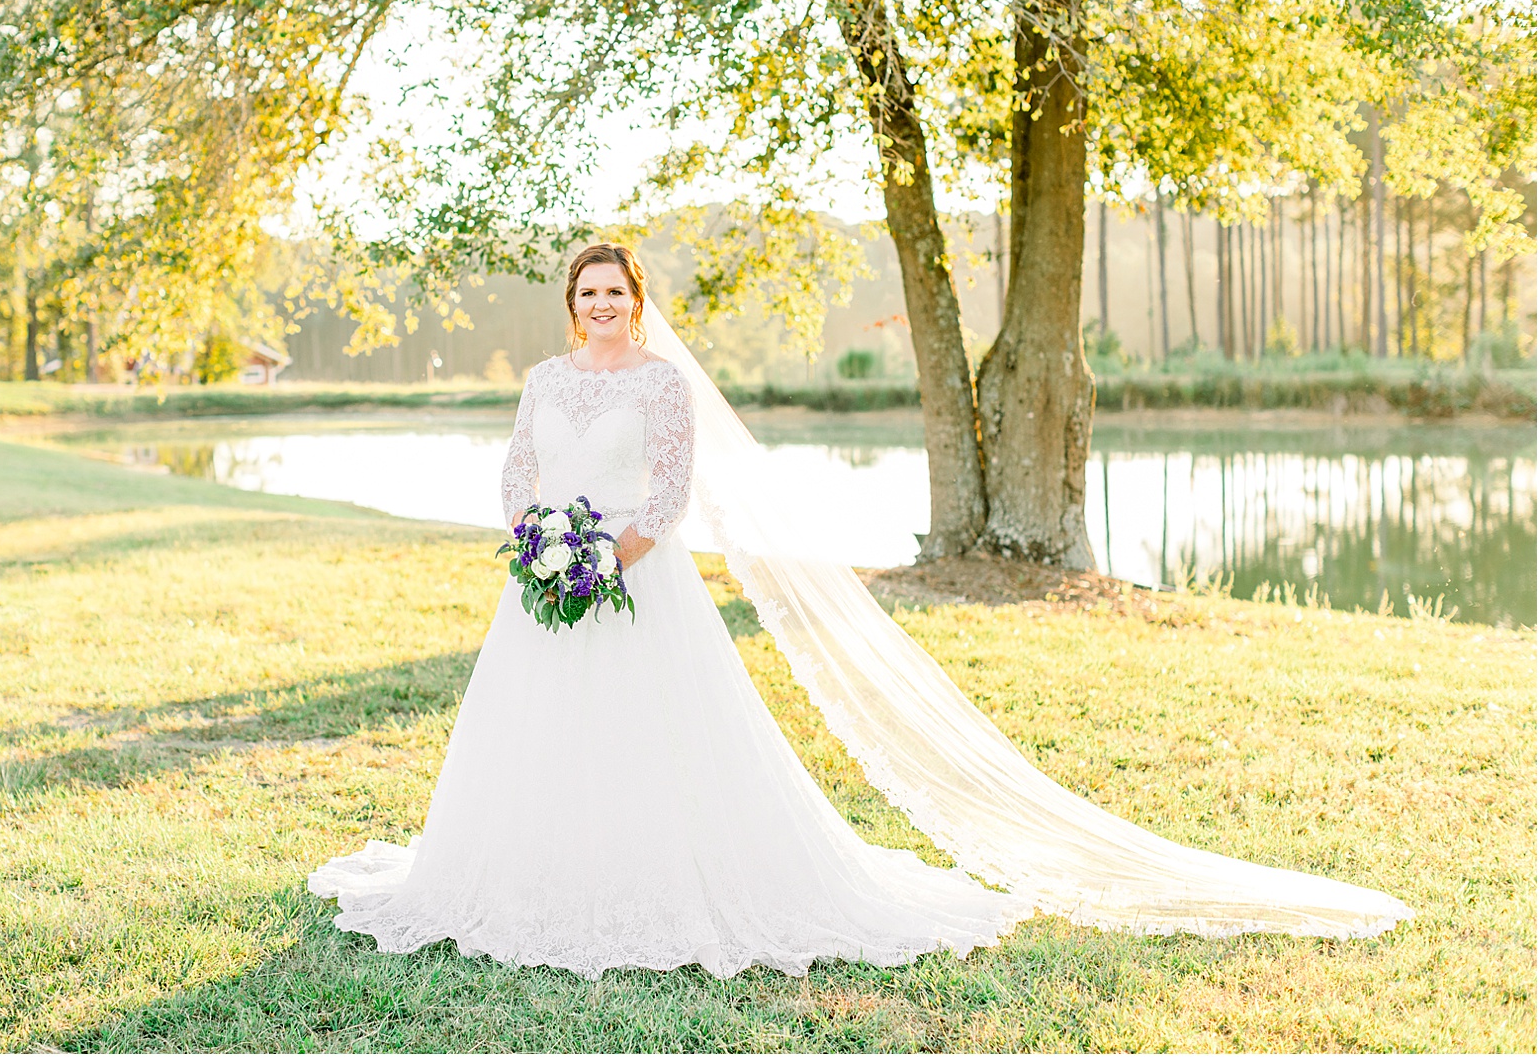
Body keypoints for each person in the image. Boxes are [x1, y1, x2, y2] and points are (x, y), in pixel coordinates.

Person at [308, 242, 1412, 979]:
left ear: (638, 303)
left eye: (615, 293)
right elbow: (516, 470)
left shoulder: (661, 384)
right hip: (543, 591)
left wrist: (610, 557)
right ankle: (522, 872)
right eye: (586, 294)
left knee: (661, 743)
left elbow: (671, 489)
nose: (600, 307)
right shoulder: (546, 380)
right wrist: (538, 548)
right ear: (570, 306)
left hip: (638, 582)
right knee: (536, 744)